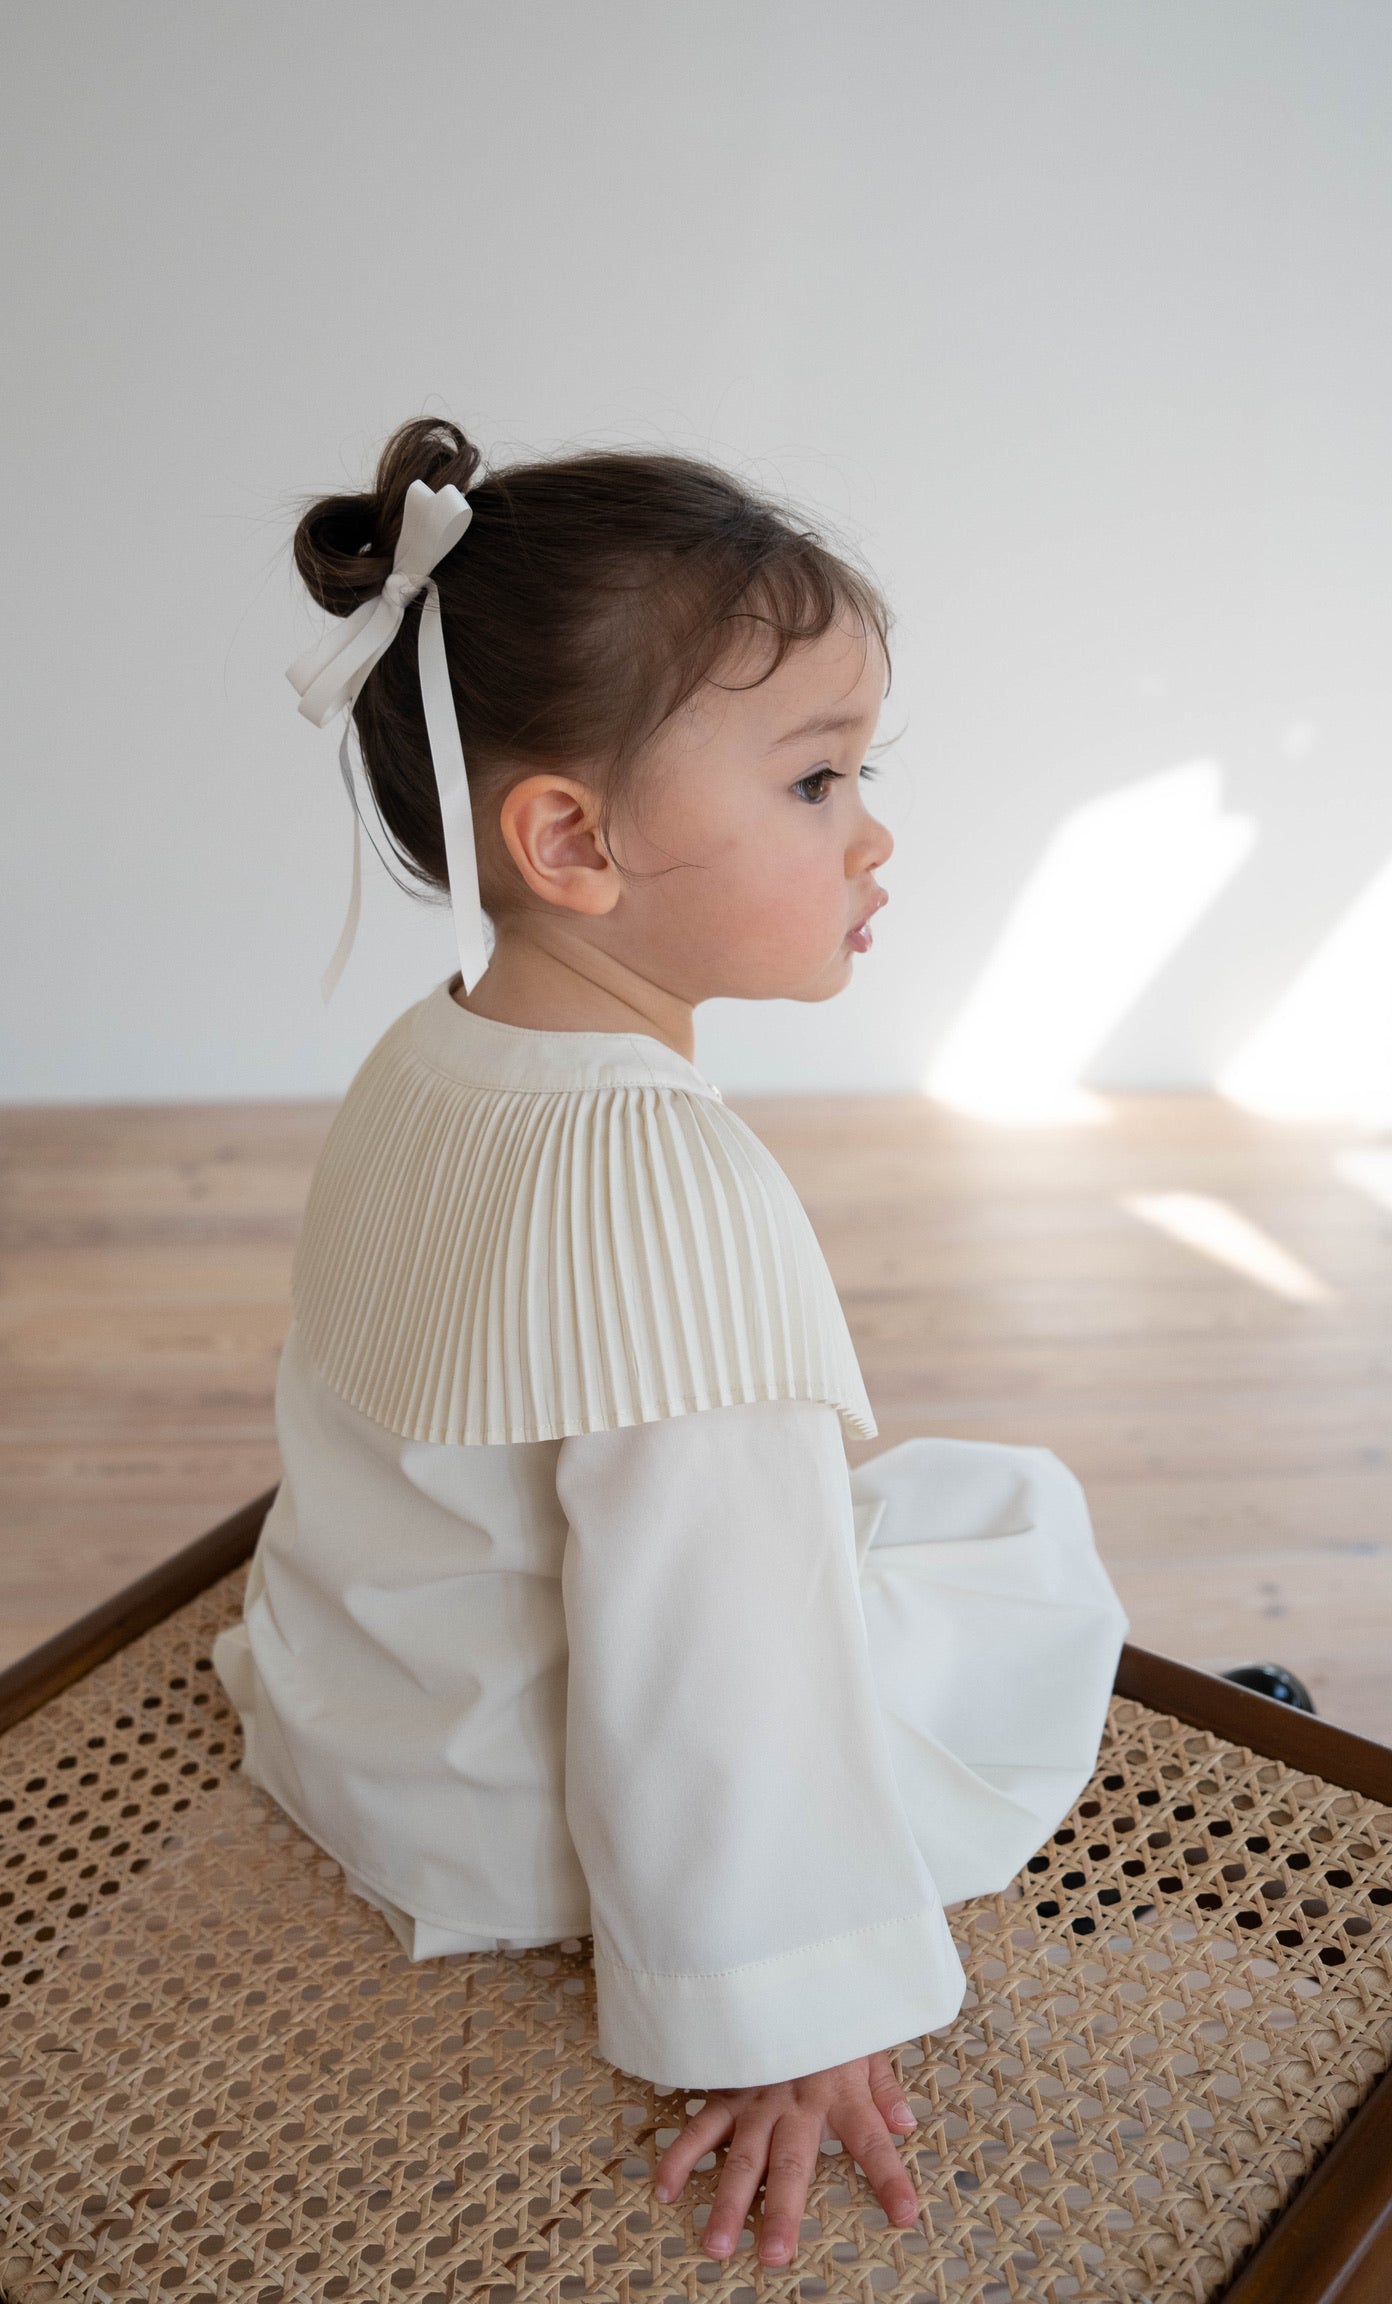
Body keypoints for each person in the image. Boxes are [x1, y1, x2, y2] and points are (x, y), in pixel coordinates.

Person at [212, 416, 1128, 2272]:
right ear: (572, 839)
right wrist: (786, 2012)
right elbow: (712, 1662)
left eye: (864, 769)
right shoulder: (665, 1184)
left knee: (846, 1518)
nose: (873, 831)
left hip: (375, 1723)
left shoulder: (433, 1050)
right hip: (524, 1823)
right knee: (1009, 1541)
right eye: (816, 780)